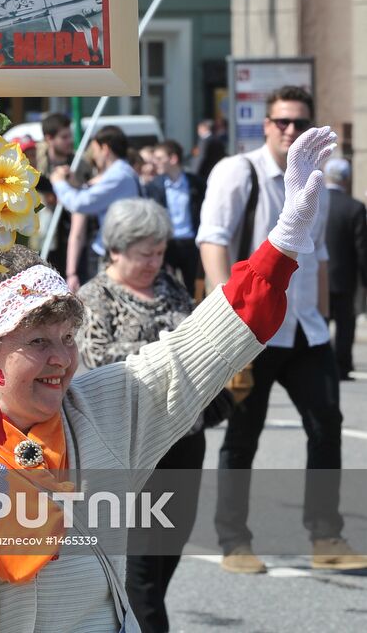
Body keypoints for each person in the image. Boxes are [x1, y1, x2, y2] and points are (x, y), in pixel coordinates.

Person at [0, 127, 335, 632]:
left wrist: (284, 242)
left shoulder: (101, 409)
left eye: (67, 337)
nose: (62, 358)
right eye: (37, 342)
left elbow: (199, 348)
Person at [198, 86, 366, 573]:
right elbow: (214, 239)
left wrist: (325, 321)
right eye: (282, 122)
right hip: (252, 329)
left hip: (306, 332)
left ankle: (326, 535)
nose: (290, 130)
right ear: (266, 124)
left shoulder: (315, 179)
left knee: (326, 426)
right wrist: (228, 317)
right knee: (243, 435)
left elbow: (320, 258)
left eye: (299, 123)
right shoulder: (239, 170)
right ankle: (234, 540)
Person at [78, 197, 230, 633]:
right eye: (145, 254)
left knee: (169, 551)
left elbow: (198, 340)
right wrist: (169, 350)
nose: (154, 262)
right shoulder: (95, 297)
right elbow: (99, 360)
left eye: (159, 252)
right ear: (116, 250)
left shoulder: (171, 286)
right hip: (132, 442)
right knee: (141, 564)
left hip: (185, 437)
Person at [51, 125, 141, 274]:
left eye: (94, 150)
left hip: (114, 252)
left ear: (105, 149)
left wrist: (58, 182)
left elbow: (80, 203)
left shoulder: (118, 176)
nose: (93, 156)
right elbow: (93, 194)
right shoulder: (124, 172)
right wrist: (75, 185)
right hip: (116, 248)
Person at [34, 113, 91, 283]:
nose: (69, 141)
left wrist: (74, 185)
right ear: (49, 138)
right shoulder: (37, 163)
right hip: (45, 236)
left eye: (70, 136)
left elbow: (85, 197)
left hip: (72, 238)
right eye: (64, 137)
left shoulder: (79, 164)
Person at [324, 157, 367, 380]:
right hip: (344, 278)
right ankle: (342, 366)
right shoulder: (355, 208)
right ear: (347, 179)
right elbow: (362, 249)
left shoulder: (316, 203)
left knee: (320, 323)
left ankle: (320, 365)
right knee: (345, 326)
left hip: (317, 278)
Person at [144, 139, 204, 296]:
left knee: (197, 289)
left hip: (192, 244)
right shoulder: (153, 186)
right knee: (165, 287)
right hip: (167, 244)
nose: (154, 163)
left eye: (159, 158)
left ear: (173, 159)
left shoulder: (196, 183)